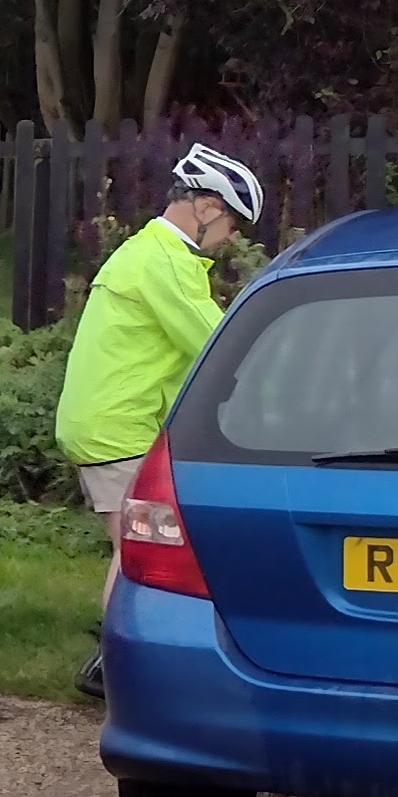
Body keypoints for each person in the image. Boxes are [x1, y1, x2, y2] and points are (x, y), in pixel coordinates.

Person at [56, 143, 265, 697]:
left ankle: (118, 661)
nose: (231, 237)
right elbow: (217, 345)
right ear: (206, 206)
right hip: (118, 428)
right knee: (137, 555)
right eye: (233, 223)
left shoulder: (151, 252)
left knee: (137, 549)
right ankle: (113, 668)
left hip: (111, 423)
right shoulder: (166, 263)